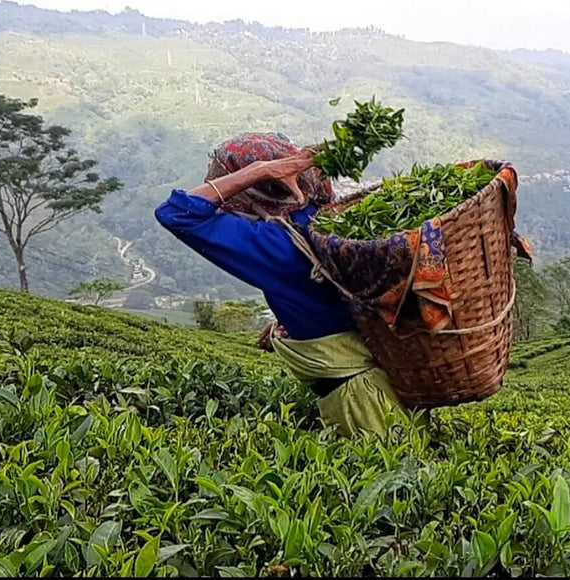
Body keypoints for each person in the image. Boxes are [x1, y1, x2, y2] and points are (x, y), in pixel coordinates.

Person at [154, 133, 413, 437]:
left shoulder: (278, 243)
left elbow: (175, 213)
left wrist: (256, 171)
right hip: (391, 384)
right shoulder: (319, 219)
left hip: (363, 401)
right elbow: (326, 298)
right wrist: (293, 322)